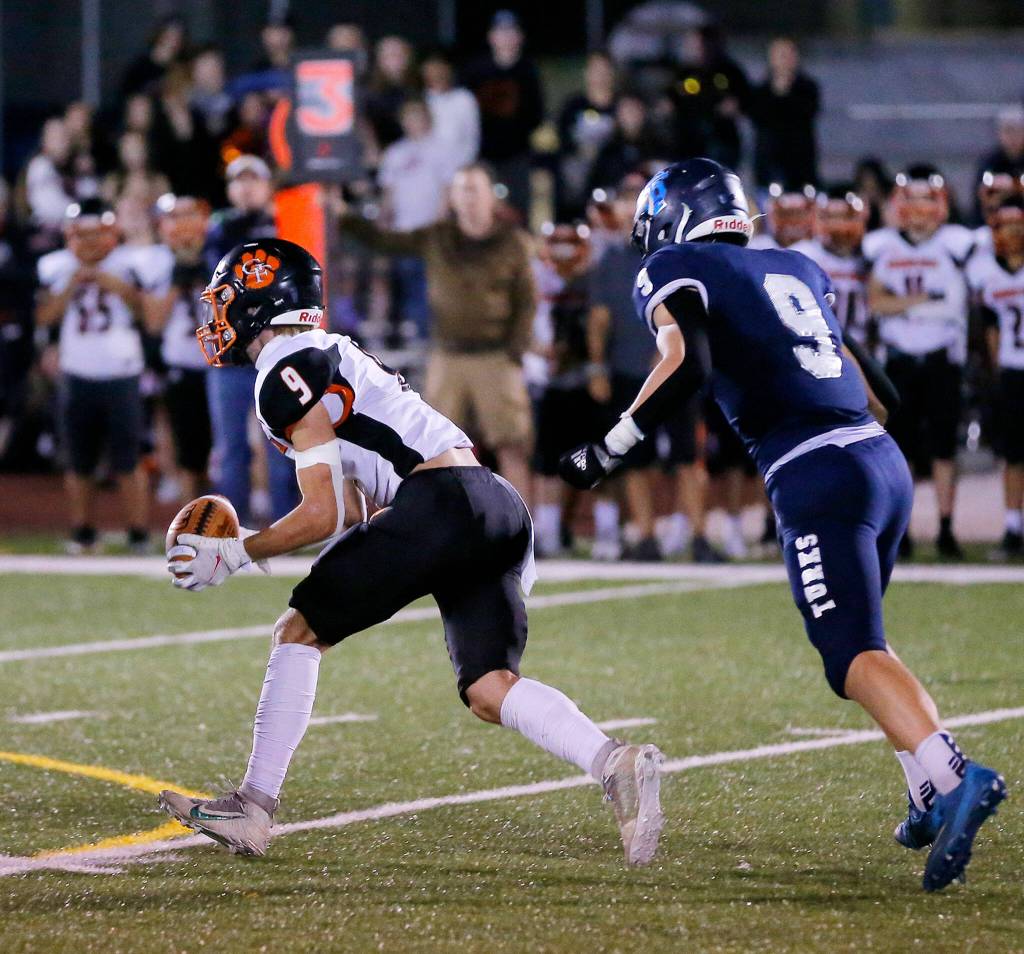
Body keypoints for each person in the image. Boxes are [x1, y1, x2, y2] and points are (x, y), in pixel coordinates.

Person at [558, 158, 1006, 893]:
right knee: (868, 642)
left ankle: (954, 773)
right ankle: (924, 792)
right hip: (876, 454)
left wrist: (608, 446)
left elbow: (687, 363)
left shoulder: (677, 264)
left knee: (850, 653)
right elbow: (879, 389)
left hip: (816, 470)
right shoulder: (796, 266)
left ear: (677, 216)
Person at [157, 237, 665, 867]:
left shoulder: (282, 368)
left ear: (261, 300)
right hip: (497, 506)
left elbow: (322, 513)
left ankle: (253, 808)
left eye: (226, 301)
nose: (216, 317)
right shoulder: (327, 354)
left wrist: (237, 553)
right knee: (488, 688)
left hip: (441, 501)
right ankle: (613, 761)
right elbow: (350, 509)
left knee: (298, 630)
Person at [337, 163, 536, 501]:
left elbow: (527, 300)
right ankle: (447, 528)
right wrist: (343, 215)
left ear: (491, 196)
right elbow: (385, 241)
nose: (468, 197)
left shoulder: (513, 241)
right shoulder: (437, 236)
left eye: (474, 189)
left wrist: (514, 351)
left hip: (495, 356)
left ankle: (522, 529)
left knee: (511, 446)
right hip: (448, 354)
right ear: (452, 198)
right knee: (434, 450)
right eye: (461, 189)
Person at [865, 166, 974, 559]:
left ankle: (946, 528)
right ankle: (903, 531)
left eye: (926, 201)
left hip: (943, 358)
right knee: (901, 450)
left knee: (945, 448)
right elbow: (876, 302)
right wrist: (927, 301)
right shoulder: (881, 245)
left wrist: (904, 305)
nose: (919, 210)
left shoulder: (959, 243)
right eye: (911, 201)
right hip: (898, 360)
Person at [35, 199, 150, 554]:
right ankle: (83, 532)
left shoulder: (131, 263)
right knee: (79, 460)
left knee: (129, 460)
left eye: (95, 234)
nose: (88, 243)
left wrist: (110, 282)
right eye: (80, 235)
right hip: (77, 372)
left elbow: (147, 313)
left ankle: (139, 535)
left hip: (122, 372)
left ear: (111, 233)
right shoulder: (55, 266)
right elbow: (44, 317)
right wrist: (72, 283)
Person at [203, 154, 297, 523]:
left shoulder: (288, 221)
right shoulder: (220, 228)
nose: (245, 187)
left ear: (267, 185)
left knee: (282, 445)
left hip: (277, 349)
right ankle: (232, 525)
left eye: (252, 180)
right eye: (238, 181)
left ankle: (288, 525)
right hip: (232, 351)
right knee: (230, 448)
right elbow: (217, 266)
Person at [142, 194, 213, 503]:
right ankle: (191, 518)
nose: (183, 224)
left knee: (225, 442)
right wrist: (176, 281)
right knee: (186, 444)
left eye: (189, 215)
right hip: (180, 360)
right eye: (175, 216)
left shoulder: (218, 254)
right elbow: (154, 322)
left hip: (220, 363)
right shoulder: (154, 260)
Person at [967, 197, 1024, 560]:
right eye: (1007, 225)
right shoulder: (986, 271)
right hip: (1013, 372)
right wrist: (995, 373)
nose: (1014, 233)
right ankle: (1012, 528)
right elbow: (990, 332)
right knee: (1013, 456)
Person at [377, 98, 455, 341]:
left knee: (432, 284)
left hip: (430, 229)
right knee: (407, 283)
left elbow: (447, 188)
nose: (413, 123)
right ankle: (414, 335)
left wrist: (440, 222)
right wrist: (384, 221)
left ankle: (431, 335)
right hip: (403, 231)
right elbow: (388, 192)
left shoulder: (441, 150)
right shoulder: (395, 153)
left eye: (417, 117)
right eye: (408, 118)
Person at [462, 11, 545, 219]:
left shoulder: (528, 71)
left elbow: (536, 115)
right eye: (501, 32)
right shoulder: (475, 71)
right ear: (492, 37)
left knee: (517, 213)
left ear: (520, 37)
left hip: (517, 157)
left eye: (511, 32)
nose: (506, 38)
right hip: (482, 156)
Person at [792, 186, 873, 347]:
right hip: (817, 346)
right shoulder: (803, 255)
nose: (838, 225)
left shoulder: (872, 253)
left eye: (845, 217)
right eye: (831, 217)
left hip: (863, 346)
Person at [748, 38, 820, 190]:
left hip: (800, 164)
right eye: (782, 55)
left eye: (791, 54)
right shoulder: (760, 91)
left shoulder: (808, 89)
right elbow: (758, 118)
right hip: (769, 164)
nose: (787, 60)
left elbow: (807, 113)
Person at [557, 52, 618, 217]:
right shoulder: (573, 106)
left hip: (609, 185)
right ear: (587, 73)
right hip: (575, 186)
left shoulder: (620, 107)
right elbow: (561, 141)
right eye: (595, 70)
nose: (600, 76)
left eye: (604, 70)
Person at [422, 49, 480, 172]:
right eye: (431, 68)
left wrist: (465, 167)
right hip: (427, 169)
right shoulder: (420, 99)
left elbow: (472, 137)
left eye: (440, 67)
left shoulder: (464, 98)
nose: (437, 72)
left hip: (460, 167)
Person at [973, 106, 1024, 223]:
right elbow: (979, 200)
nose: (1013, 137)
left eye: (1018, 130)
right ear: (999, 133)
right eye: (1008, 131)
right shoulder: (989, 163)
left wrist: (1013, 186)